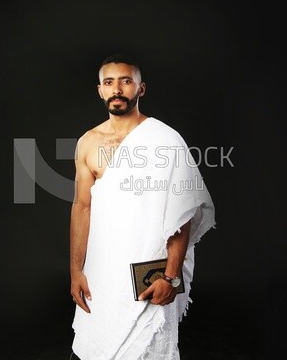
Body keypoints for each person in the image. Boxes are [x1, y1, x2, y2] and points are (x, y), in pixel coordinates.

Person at [69, 54, 215, 360]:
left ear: (141, 88)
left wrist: (172, 278)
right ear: (100, 90)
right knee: (99, 340)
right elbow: (82, 207)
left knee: (148, 346)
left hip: (148, 268)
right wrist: (75, 271)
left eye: (126, 81)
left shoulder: (165, 140)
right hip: (102, 267)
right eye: (109, 82)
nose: (117, 88)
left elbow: (181, 214)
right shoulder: (88, 143)